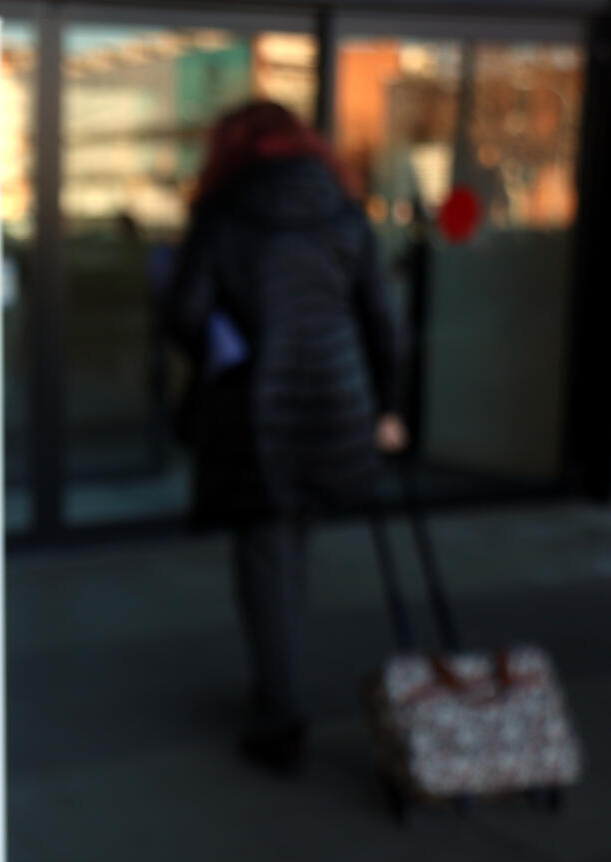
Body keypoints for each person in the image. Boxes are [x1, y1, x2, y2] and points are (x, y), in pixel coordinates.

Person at [165, 101, 407, 774]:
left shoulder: (222, 215)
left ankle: (280, 719)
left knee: (263, 563)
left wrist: (224, 343)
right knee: (290, 551)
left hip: (256, 413)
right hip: (336, 408)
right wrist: (389, 407)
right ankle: (276, 683)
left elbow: (185, 314)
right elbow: (382, 319)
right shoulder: (344, 212)